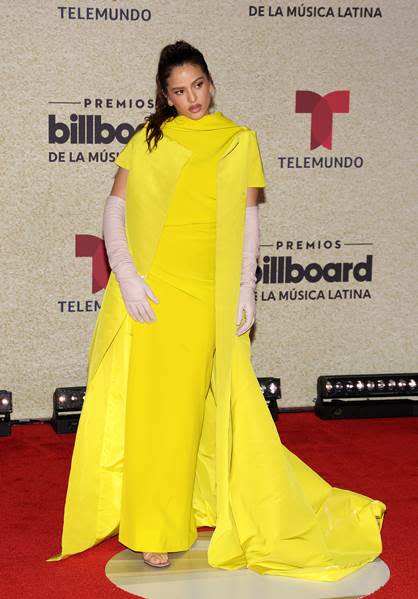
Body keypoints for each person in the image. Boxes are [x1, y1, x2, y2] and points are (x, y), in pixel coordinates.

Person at [47, 40, 386, 580]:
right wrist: (129, 278)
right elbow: (114, 210)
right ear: (165, 95)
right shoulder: (150, 139)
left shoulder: (238, 140)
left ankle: (216, 505)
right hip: (158, 293)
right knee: (161, 414)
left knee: (215, 408)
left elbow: (249, 222)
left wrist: (246, 288)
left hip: (213, 291)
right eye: (179, 92)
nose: (192, 98)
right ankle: (154, 532)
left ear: (210, 80)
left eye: (198, 85)